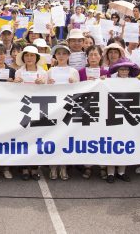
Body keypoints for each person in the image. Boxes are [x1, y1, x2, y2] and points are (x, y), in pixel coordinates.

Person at [13, 45, 47, 181]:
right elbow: (14, 92)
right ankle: (24, 168)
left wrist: (43, 83)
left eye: (32, 55)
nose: (29, 58)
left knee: (36, 138)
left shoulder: (43, 72)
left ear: (37, 57)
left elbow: (51, 91)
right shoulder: (18, 72)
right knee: (24, 138)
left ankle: (34, 168)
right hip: (23, 108)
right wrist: (16, 83)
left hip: (39, 108)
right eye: (27, 55)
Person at [47, 43, 79, 181]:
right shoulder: (50, 71)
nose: (61, 56)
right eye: (58, 53)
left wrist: (74, 83)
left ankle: (63, 166)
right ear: (55, 55)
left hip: (68, 108)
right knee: (52, 137)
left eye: (64, 53)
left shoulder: (73, 71)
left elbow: (80, 90)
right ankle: (53, 167)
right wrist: (48, 84)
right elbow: (43, 90)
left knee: (65, 138)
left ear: (68, 55)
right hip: (53, 108)